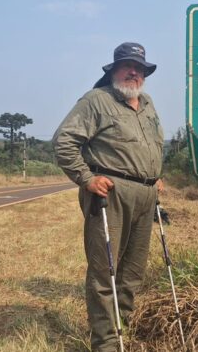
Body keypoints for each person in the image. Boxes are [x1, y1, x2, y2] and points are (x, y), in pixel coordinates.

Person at [53, 41, 164, 351]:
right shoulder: (97, 100)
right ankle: (105, 343)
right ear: (114, 70)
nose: (134, 72)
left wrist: (156, 175)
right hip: (110, 194)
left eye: (139, 68)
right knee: (105, 271)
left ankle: (121, 328)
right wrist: (87, 178)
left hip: (146, 195)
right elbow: (63, 141)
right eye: (127, 66)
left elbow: (153, 144)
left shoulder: (148, 103)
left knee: (133, 271)